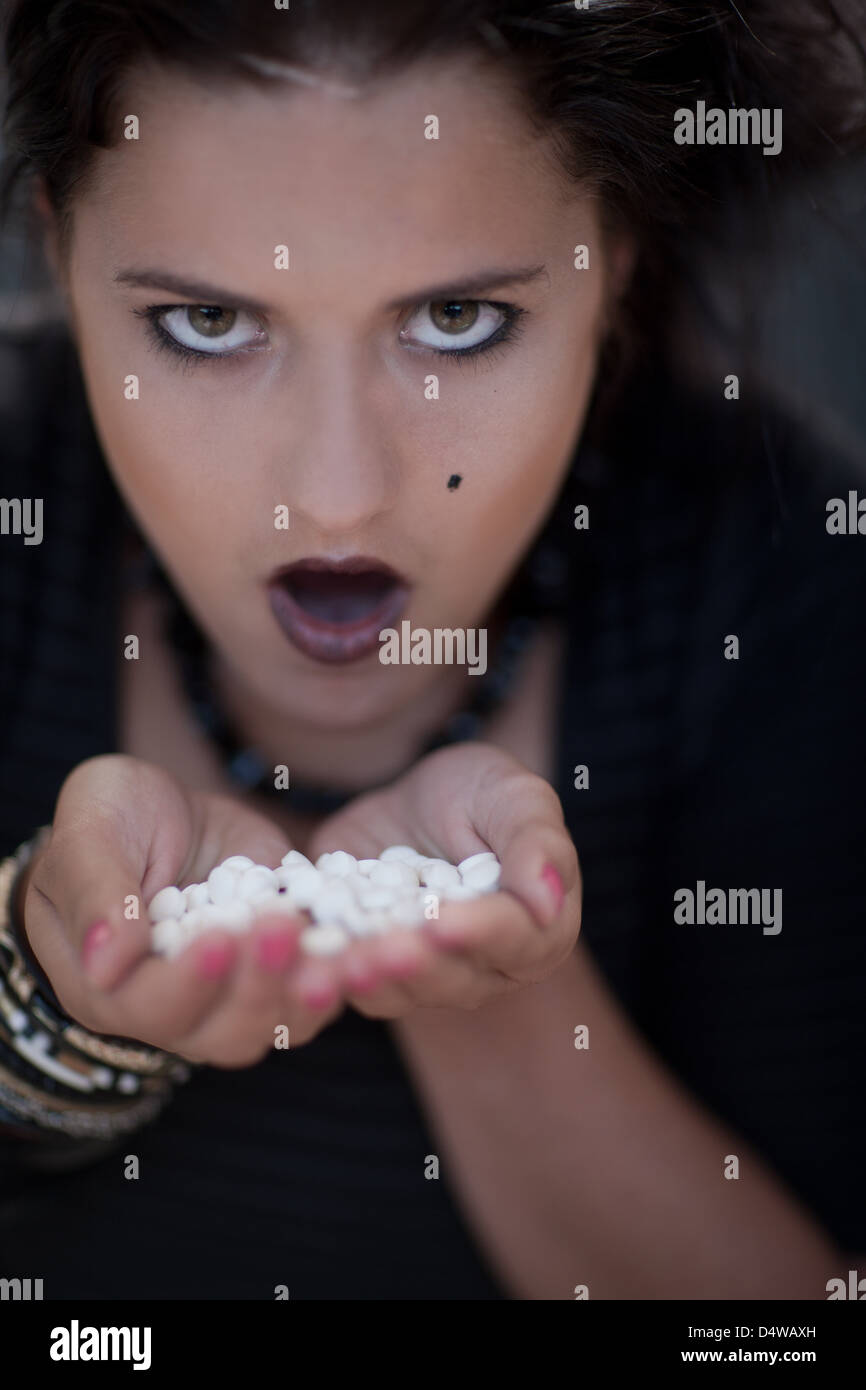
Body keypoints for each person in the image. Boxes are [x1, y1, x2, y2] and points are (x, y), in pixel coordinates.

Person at [0, 0, 864, 1300]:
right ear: (61, 259)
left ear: (614, 258)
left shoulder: (784, 587)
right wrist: (47, 989)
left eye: (455, 319)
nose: (338, 491)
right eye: (207, 326)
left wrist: (493, 991)